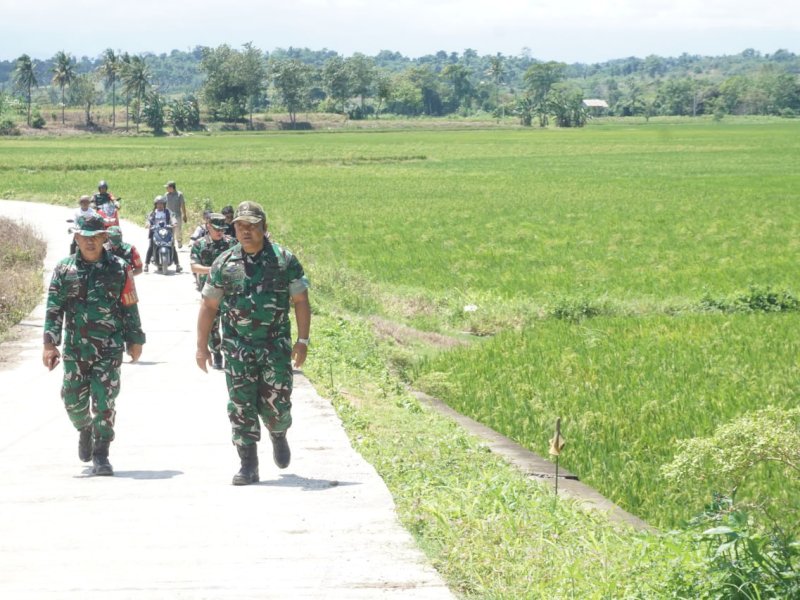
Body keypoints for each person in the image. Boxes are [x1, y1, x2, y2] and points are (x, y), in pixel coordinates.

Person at [195, 201, 310, 486]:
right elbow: (209, 305)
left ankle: (278, 433)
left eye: (252, 226)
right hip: (238, 348)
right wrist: (201, 346)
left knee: (278, 406)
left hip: (275, 346)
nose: (245, 231)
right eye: (240, 226)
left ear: (264, 227)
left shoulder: (284, 260)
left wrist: (302, 340)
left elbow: (300, 300)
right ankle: (248, 464)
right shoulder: (224, 263)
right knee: (240, 405)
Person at [43, 214, 145, 476]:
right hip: (76, 349)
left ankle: (101, 453)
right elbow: (54, 309)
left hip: (109, 347)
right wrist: (50, 344)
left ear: (104, 238)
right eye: (85, 237)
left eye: (96, 237)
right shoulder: (64, 269)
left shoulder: (120, 268)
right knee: (72, 400)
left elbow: (130, 305)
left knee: (104, 401)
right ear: (76, 237)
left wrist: (135, 339)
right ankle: (85, 429)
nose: (90, 242)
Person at [190, 213, 236, 369]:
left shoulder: (232, 243)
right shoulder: (200, 244)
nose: (220, 232)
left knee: (231, 322)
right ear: (208, 226)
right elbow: (194, 267)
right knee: (212, 325)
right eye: (217, 229)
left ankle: (231, 353)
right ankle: (216, 353)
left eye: (223, 229)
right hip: (210, 292)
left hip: (230, 291)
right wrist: (214, 270)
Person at [144, 196, 182, 273]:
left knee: (172, 246)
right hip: (155, 232)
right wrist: (148, 224)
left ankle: (177, 265)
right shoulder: (152, 213)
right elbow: (148, 220)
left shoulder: (168, 212)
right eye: (158, 204)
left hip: (167, 231)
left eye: (161, 204)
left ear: (164, 204)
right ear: (155, 204)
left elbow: (173, 217)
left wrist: (174, 222)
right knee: (151, 246)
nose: (160, 205)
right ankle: (146, 265)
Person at [163, 181, 188, 248]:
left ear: (172, 188)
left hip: (177, 215)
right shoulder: (166, 195)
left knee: (178, 230)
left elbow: (182, 205)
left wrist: (184, 215)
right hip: (168, 216)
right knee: (170, 230)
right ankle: (172, 243)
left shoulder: (179, 195)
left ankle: (179, 241)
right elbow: (163, 205)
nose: (166, 189)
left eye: (167, 187)